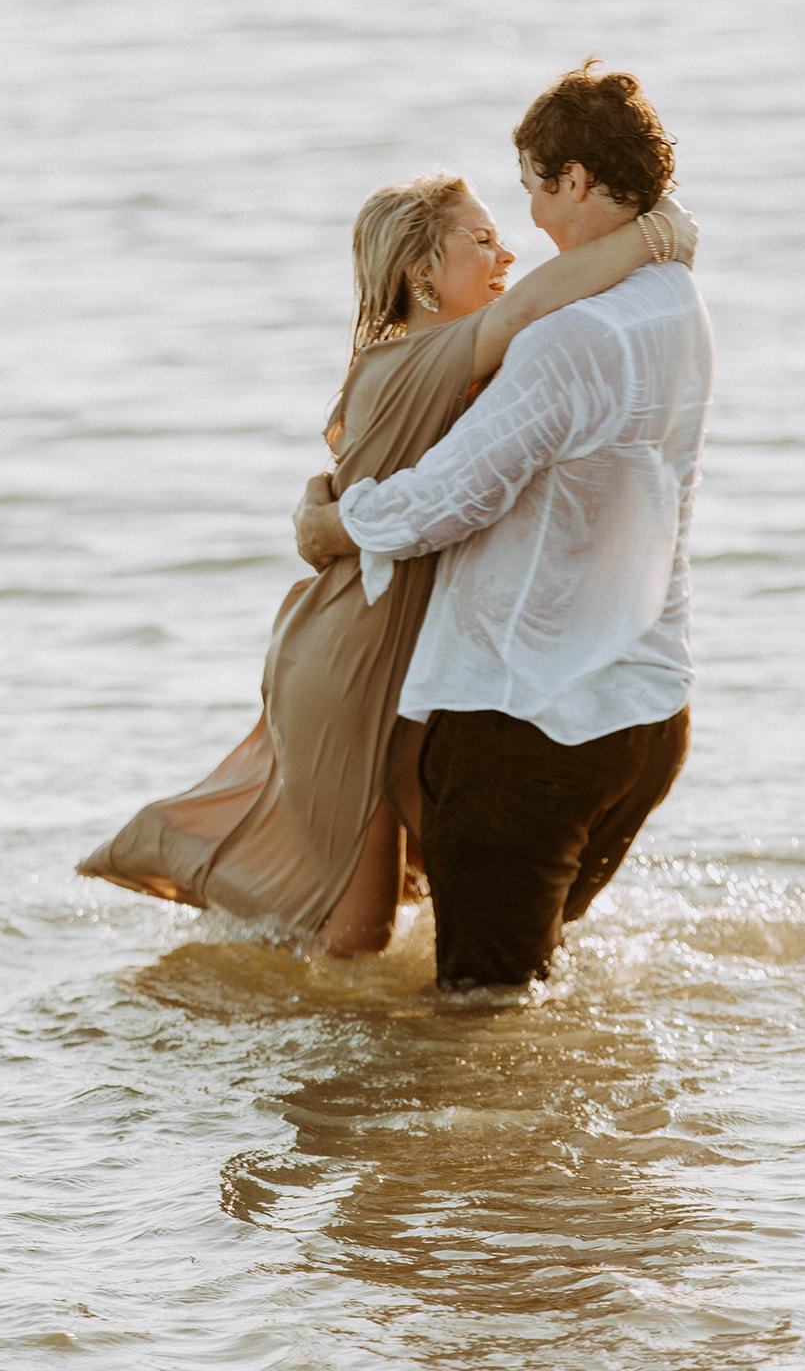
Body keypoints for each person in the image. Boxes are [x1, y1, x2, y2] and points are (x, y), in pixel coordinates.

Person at [78, 153, 697, 957]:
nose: (506, 255)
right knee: (358, 932)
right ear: (421, 272)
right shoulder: (427, 354)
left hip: (376, 643)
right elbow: (538, 302)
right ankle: (300, 1043)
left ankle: (299, 981)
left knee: (432, 858)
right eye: (480, 239)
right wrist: (664, 233)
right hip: (352, 659)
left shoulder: (435, 357)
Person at [294, 63, 713, 985]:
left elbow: (444, 500)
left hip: (529, 726)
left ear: (574, 180)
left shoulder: (569, 338)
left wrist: (331, 526)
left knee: (475, 1021)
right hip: (646, 715)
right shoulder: (676, 304)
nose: (528, 223)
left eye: (531, 189)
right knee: (529, 987)